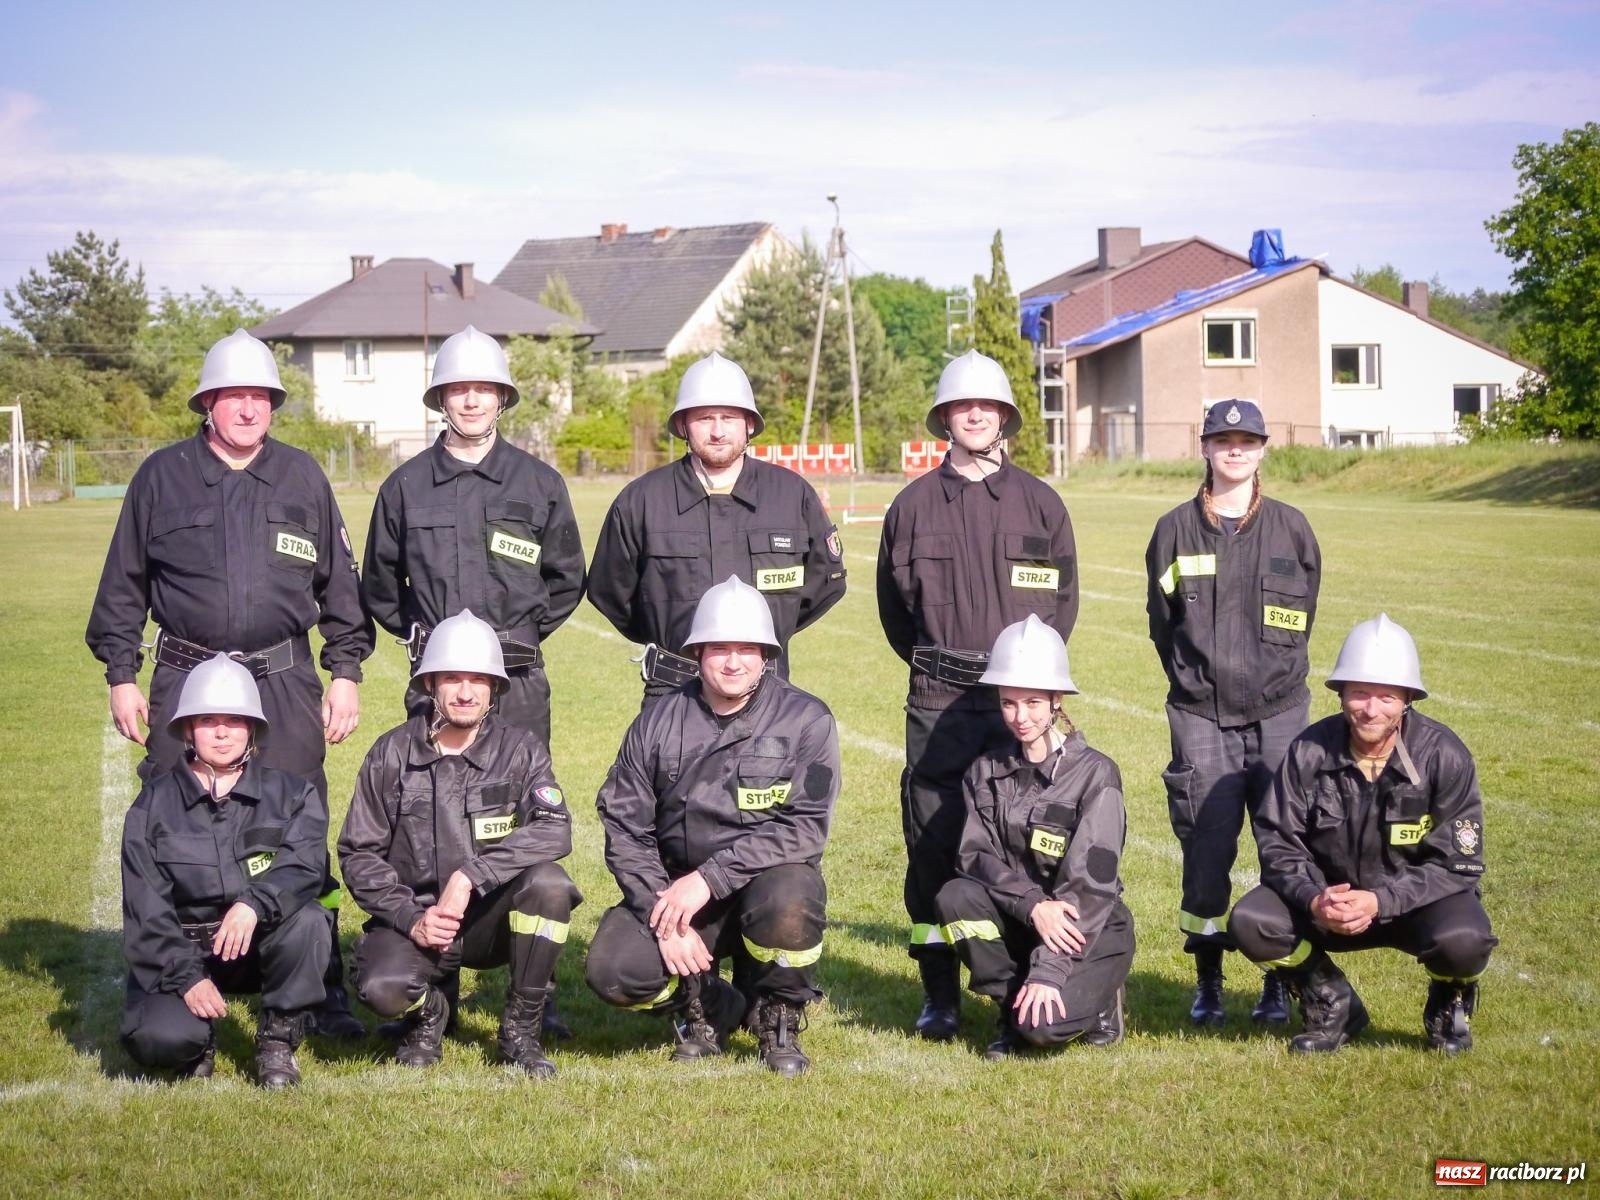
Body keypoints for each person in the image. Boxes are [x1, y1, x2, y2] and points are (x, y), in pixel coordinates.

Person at [86, 327, 373, 1039]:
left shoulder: (303, 476)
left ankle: (321, 986)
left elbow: (341, 590)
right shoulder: (161, 477)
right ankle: (172, 973)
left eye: (261, 397)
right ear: (207, 403)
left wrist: (345, 672)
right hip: (186, 680)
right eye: (234, 396)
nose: (248, 409)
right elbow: (123, 586)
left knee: (301, 822)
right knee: (170, 815)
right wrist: (122, 675)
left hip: (283, 681)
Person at [876, 349, 1079, 1040]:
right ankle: (939, 992)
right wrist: (941, 664)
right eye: (962, 405)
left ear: (1004, 417)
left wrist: (1027, 686)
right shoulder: (911, 507)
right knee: (933, 843)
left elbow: (1063, 605)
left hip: (1017, 704)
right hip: (938, 700)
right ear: (944, 418)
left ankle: (1024, 977)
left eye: (986, 405)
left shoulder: (1042, 505)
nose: (974, 415)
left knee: (1028, 841)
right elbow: (895, 614)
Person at [585, 576, 839, 1076]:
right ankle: (709, 1005)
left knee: (792, 900)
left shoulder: (807, 720)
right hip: (677, 891)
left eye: (747, 649)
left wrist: (711, 878)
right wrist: (661, 911)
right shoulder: (657, 721)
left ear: (766, 655)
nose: (733, 662)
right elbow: (624, 824)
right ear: (697, 652)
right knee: (612, 972)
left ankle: (778, 1014)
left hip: (763, 886)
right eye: (719, 648)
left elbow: (806, 827)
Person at [1230, 614, 1495, 1054]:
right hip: (1330, 905)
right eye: (1359, 693)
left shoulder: (1445, 756)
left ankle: (1449, 1000)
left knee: (1466, 941)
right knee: (1252, 921)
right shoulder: (1307, 751)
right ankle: (1331, 1002)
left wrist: (1380, 901)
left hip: (1413, 906)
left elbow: (1458, 865)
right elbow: (1278, 842)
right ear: (1340, 694)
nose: (1371, 710)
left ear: (1408, 699)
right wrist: (1315, 898)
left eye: (1387, 697)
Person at [337, 610, 580, 1077]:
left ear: (495, 688)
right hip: (420, 917)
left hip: (491, 920)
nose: (466, 692)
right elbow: (358, 853)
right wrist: (411, 918)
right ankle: (430, 1015)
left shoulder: (521, 749)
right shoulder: (390, 752)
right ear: (430, 683)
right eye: (452, 678)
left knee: (550, 886)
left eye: (478, 680)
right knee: (382, 988)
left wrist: (471, 876)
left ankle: (521, 1029)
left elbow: (554, 828)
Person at [1144, 398, 1319, 1028]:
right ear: (1205, 448)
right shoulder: (1173, 530)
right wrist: (1196, 682)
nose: (1235, 450)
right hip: (1201, 717)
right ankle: (1209, 979)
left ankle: (1279, 979)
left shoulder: (1293, 529)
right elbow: (1163, 624)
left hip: (1280, 715)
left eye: (1247, 441)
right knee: (1205, 851)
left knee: (1286, 850)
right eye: (1223, 440)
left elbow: (1305, 617)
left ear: (1264, 448)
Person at [362, 324, 586, 749]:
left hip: (519, 681)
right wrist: (428, 632)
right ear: (441, 399)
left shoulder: (541, 483)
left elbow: (567, 578)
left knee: (521, 786)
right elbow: (380, 583)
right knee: (433, 784)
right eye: (459, 389)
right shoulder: (405, 486)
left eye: (483, 389)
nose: (471, 401)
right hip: (438, 680)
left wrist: (518, 632)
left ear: (501, 398)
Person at [118, 654, 331, 1088]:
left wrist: (254, 904)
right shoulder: (151, 806)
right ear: (187, 729)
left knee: (309, 919)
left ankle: (277, 1040)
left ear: (251, 728)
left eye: (234, 720)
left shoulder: (293, 794)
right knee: (160, 1041)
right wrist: (188, 978)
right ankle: (199, 1038)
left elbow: (305, 865)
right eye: (207, 720)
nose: (221, 732)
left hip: (256, 946)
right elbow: (147, 911)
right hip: (183, 951)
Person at [587, 351, 846, 704]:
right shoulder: (641, 501)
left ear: (750, 424)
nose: (718, 431)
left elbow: (825, 583)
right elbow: (610, 592)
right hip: (672, 696)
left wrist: (766, 635)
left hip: (767, 698)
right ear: (682, 425)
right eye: (705, 418)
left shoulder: (792, 495)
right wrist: (670, 636)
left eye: (730, 418)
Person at [936, 616, 1134, 1058]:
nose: (1020, 717)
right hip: (1025, 917)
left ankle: (1103, 999)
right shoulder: (985, 771)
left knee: (1040, 1032)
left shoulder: (1096, 774)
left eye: (1032, 702)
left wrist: (1049, 970)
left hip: (1086, 925)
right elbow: (975, 856)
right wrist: (1032, 905)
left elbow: (1089, 885)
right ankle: (1010, 1008)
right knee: (955, 897)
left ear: (1056, 699)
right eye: (1008, 703)